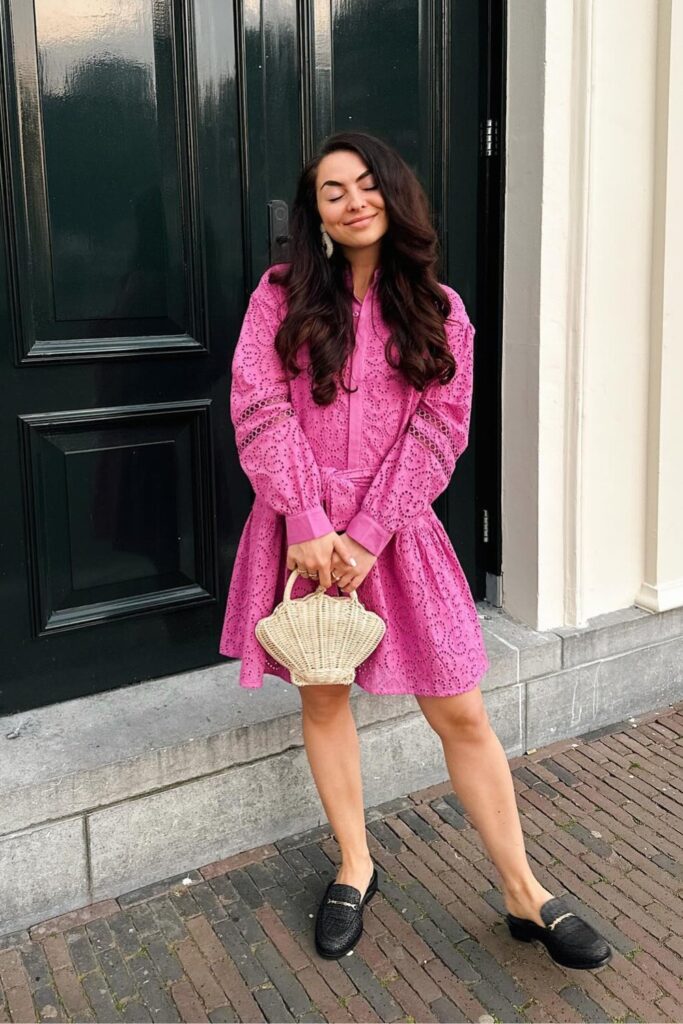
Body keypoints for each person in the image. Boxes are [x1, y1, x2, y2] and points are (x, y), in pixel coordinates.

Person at [220, 131, 612, 969]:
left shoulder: (442, 312)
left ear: (394, 197)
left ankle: (521, 891)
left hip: (393, 533)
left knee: (460, 708)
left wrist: (366, 531)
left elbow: (439, 430)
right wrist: (304, 519)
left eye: (367, 185)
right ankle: (356, 864)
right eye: (333, 191)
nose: (353, 200)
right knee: (324, 698)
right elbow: (258, 405)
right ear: (314, 213)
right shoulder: (278, 296)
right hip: (302, 536)